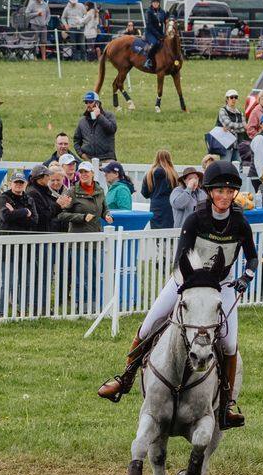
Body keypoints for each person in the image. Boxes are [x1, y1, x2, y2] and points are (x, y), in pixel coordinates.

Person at [98, 162, 254, 426]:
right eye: (220, 191)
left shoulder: (239, 222)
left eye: (230, 191)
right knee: (150, 324)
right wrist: (191, 282)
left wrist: (245, 277)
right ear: (209, 192)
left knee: (228, 343)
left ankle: (225, 404)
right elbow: (181, 255)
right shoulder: (196, 219)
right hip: (187, 280)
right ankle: (125, 377)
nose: (225, 196)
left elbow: (252, 258)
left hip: (222, 285)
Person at [55, 161, 107, 233]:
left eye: (86, 171)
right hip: (78, 238)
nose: (83, 174)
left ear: (92, 173)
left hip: (96, 236)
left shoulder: (100, 190)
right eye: (81, 172)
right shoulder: (71, 191)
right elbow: (61, 215)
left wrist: (107, 215)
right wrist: (82, 217)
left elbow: (105, 209)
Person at [73, 92, 117, 161]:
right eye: (86, 102)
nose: (88, 105)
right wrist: (81, 154)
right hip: (89, 159)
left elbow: (112, 129)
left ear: (97, 103)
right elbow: (76, 140)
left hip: (107, 158)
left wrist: (99, 116)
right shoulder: (82, 121)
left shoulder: (109, 116)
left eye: (90, 102)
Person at [143, 151, 178, 230]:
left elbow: (145, 193)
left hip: (155, 206)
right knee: (169, 232)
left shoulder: (149, 174)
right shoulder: (173, 174)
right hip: (169, 206)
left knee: (156, 232)